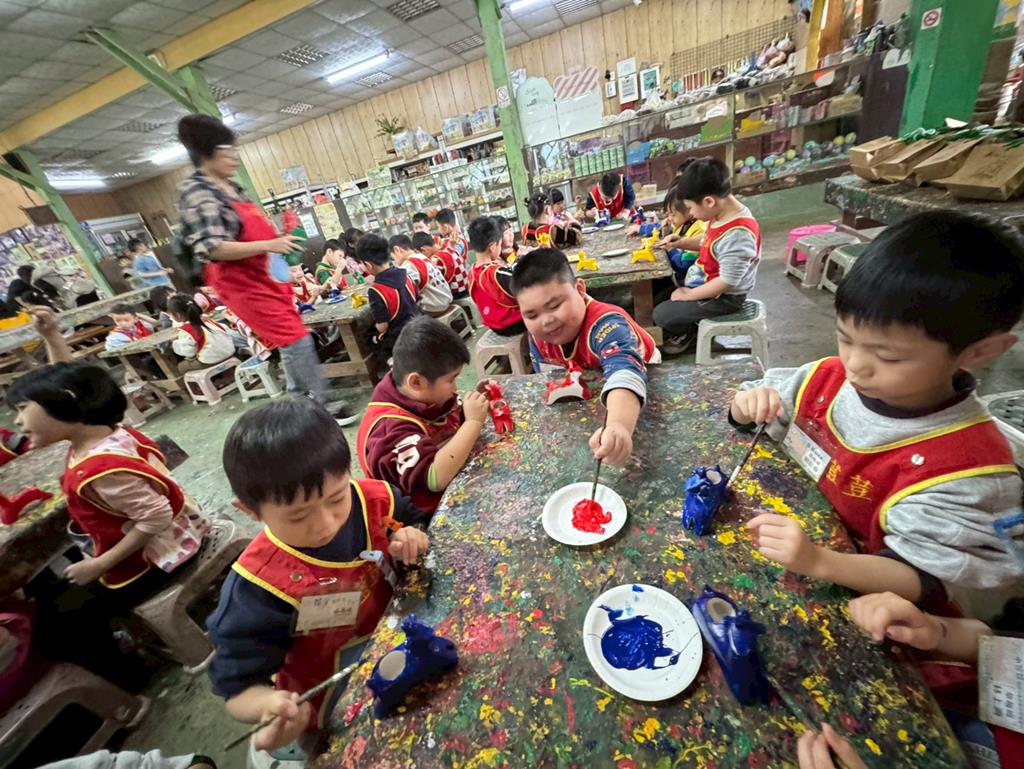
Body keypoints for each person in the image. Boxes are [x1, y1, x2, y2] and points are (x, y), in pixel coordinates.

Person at [733, 212, 1024, 621]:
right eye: (845, 338)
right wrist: (747, 404)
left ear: (980, 352)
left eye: (887, 356)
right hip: (790, 547)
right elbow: (748, 410)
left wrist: (819, 561)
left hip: (872, 609)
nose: (855, 366)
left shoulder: (970, 470)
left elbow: (927, 580)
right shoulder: (825, 379)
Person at [206, 397, 429, 758]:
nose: (326, 523)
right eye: (298, 517)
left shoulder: (371, 499)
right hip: (336, 700)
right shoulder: (258, 588)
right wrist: (267, 706)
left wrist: (411, 535)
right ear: (249, 511)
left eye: (336, 499)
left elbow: (411, 518)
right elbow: (237, 687)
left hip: (405, 639)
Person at [16, 306, 206, 686]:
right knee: (54, 600)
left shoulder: (101, 469)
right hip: (174, 535)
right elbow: (68, 385)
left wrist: (100, 565)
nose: (18, 421)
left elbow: (156, 516)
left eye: (22, 409)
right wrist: (52, 336)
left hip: (164, 556)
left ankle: (130, 685)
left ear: (65, 403)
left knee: (59, 621)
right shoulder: (104, 431)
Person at [175, 113, 354, 424]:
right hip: (241, 285)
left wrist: (281, 238)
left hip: (264, 277)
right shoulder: (198, 192)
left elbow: (251, 235)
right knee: (296, 338)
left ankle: (299, 404)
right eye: (227, 150)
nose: (234, 157)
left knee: (292, 340)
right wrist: (269, 245)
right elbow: (212, 248)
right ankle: (319, 407)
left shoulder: (233, 188)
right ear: (207, 153)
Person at [510, 248, 659, 467]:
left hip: (638, 387)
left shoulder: (608, 325)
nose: (546, 321)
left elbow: (625, 374)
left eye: (554, 306)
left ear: (580, 289)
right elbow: (553, 378)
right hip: (588, 389)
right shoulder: (540, 337)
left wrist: (618, 425)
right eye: (531, 315)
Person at [356, 317, 488, 516]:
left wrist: (471, 409)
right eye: (451, 380)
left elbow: (449, 422)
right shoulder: (389, 429)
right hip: (421, 519)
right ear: (416, 382)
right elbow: (435, 478)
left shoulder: (418, 395)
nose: (455, 388)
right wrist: (473, 423)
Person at [652, 157, 760, 354]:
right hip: (706, 283)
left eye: (691, 208)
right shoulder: (721, 216)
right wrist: (681, 242)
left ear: (709, 201)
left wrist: (689, 295)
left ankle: (693, 335)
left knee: (661, 314)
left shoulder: (738, 234)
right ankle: (690, 325)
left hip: (725, 297)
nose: (691, 214)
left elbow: (727, 281)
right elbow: (708, 242)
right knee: (660, 297)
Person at [357, 233, 422, 361]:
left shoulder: (376, 290)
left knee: (369, 337)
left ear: (368, 265)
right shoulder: (406, 275)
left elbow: (383, 326)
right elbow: (418, 302)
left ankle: (392, 363)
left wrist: (375, 328)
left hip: (401, 338)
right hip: (420, 327)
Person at [467, 216, 524, 336]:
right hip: (514, 323)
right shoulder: (494, 273)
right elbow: (519, 285)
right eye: (499, 244)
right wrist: (520, 259)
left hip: (493, 325)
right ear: (493, 247)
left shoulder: (472, 271)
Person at [167, 294, 235, 373]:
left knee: (181, 367)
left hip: (211, 361)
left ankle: (215, 379)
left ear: (178, 315)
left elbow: (189, 352)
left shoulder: (186, 330)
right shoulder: (208, 320)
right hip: (230, 353)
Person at [657, 182, 707, 288]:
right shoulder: (685, 224)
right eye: (668, 214)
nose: (669, 218)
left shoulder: (699, 228)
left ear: (689, 210)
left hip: (692, 284)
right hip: (683, 279)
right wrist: (666, 233)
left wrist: (670, 250)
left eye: (673, 215)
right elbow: (679, 240)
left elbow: (684, 265)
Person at [388, 234, 453, 316]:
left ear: (397, 250)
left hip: (434, 308)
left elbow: (404, 289)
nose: (394, 261)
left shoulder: (409, 264)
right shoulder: (422, 257)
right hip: (446, 300)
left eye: (393, 258)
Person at [413, 231, 469, 300]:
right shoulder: (449, 249)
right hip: (466, 288)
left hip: (457, 293)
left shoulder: (436, 259)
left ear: (423, 250)